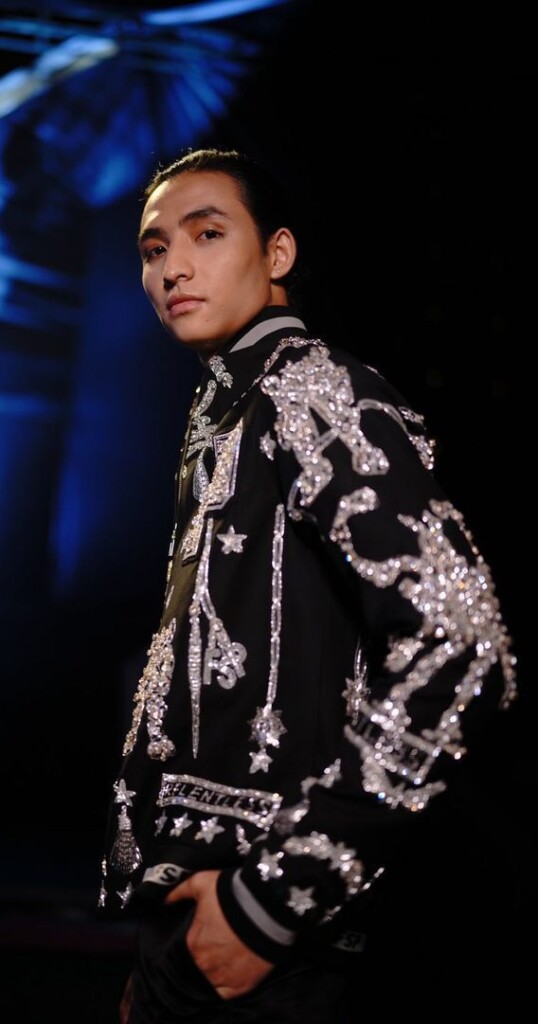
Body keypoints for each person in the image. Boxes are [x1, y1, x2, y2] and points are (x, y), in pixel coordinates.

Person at [97, 147, 517, 1023]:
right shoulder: (233, 406)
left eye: (207, 234)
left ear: (278, 253)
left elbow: (463, 643)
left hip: (279, 948)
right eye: (153, 249)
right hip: (198, 935)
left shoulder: (311, 393)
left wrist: (274, 904)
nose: (173, 267)